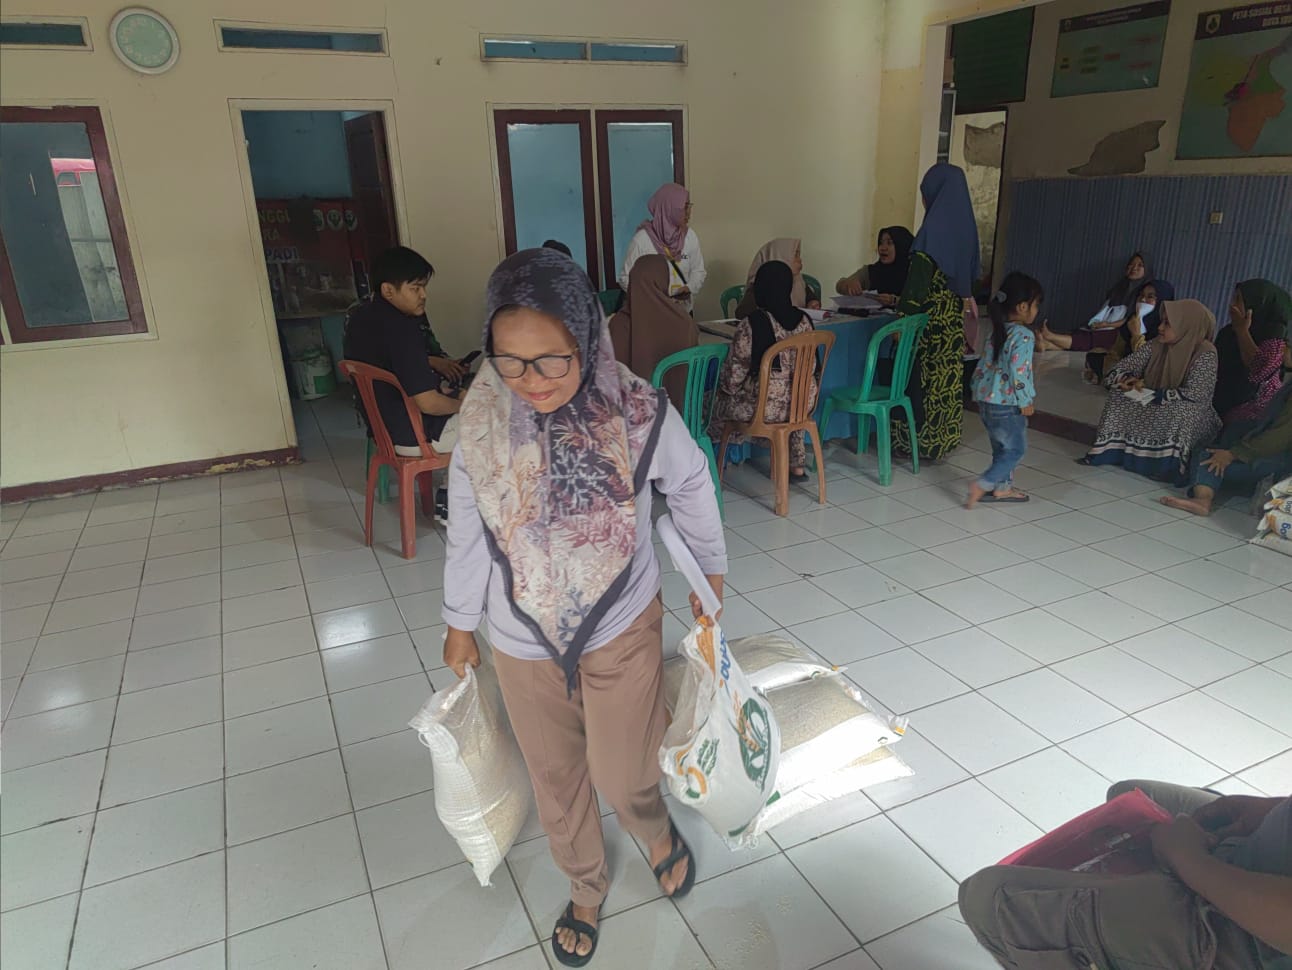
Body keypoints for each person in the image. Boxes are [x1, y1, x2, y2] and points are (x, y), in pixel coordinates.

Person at [440, 248, 725, 967]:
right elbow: (470, 533)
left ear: (588, 340)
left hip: (620, 618)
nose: (530, 380)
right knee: (556, 773)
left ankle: (652, 829)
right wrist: (459, 623)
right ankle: (585, 884)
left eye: (551, 360)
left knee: (624, 769)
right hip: (519, 633)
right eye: (510, 360)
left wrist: (709, 571)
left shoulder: (638, 412)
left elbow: (692, 483)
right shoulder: (479, 426)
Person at [960, 780, 1292, 970]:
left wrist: (1189, 860)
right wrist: (1273, 808)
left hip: (1253, 936)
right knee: (1132, 796)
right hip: (1255, 859)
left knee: (989, 897)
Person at [888, 165, 978, 461]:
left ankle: (915, 443)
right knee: (945, 383)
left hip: (926, 329)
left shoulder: (931, 236)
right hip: (951, 326)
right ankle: (942, 441)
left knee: (919, 382)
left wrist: (900, 325)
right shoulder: (966, 233)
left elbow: (915, 290)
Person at [1081, 299, 1222, 483]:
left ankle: (1166, 468)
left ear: (1186, 326)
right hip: (1154, 398)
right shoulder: (1156, 344)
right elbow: (1117, 370)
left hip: (1191, 410)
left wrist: (1158, 396)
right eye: (1162, 322)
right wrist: (1128, 381)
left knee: (1182, 411)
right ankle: (1109, 453)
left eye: (1168, 323)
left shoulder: (1205, 351)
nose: (1160, 328)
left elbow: (1197, 393)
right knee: (1119, 396)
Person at [342, 245, 465, 456]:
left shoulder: (360, 317)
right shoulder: (403, 329)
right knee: (498, 421)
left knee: (460, 396)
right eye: (416, 288)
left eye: (424, 287)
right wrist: (466, 406)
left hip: (384, 431)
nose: (424, 295)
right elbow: (429, 404)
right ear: (388, 290)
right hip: (415, 435)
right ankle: (459, 480)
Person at [711, 260, 818, 481]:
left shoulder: (752, 323)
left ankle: (711, 467)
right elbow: (814, 367)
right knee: (795, 394)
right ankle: (796, 466)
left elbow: (732, 380)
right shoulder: (805, 321)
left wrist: (726, 390)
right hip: (803, 404)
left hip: (765, 410)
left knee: (707, 404)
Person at [967, 273, 1043, 508]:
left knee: (1001, 448)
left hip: (986, 400)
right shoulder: (1024, 335)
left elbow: (984, 364)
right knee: (1015, 449)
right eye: (1036, 305)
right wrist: (1025, 399)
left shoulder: (998, 330)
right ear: (1022, 307)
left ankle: (1002, 488)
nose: (1036, 310)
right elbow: (1019, 372)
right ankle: (984, 483)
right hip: (1007, 403)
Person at [1162, 379, 1292, 517]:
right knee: (1236, 429)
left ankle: (1202, 499)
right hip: (1278, 456)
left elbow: (1278, 439)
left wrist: (1233, 454)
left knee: (1207, 456)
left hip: (1281, 461)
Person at [608, 254, 698, 410]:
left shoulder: (619, 324)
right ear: (664, 280)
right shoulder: (684, 321)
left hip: (636, 417)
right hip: (681, 412)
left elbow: (610, 379)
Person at [1038, 279, 1174, 380]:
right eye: (1141, 295)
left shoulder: (1165, 328)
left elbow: (1148, 362)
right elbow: (1117, 352)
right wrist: (1111, 364)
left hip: (1150, 372)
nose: (1143, 299)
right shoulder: (1132, 319)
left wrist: (1137, 335)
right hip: (1126, 366)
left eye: (1150, 297)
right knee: (1095, 355)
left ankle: (1050, 339)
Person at [618, 183, 706, 314]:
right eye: (684, 207)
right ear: (669, 209)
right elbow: (625, 278)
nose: (689, 212)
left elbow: (698, 271)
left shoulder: (689, 236)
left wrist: (689, 288)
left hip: (682, 313)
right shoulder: (642, 240)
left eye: (689, 206)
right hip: (652, 315)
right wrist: (653, 297)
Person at [1213, 279, 1291, 425]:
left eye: (1238, 300)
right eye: (1233, 298)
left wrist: (1242, 331)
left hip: (1254, 412)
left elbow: (1258, 370)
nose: (1232, 305)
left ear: (1255, 305)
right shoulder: (1227, 333)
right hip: (1221, 403)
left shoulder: (1274, 338)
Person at [733, 238, 820, 318]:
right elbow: (742, 313)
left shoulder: (798, 280)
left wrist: (812, 302)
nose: (800, 260)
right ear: (781, 258)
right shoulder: (761, 285)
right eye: (795, 255)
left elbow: (810, 297)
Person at [835, 226, 915, 308]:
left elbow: (918, 303)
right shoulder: (872, 270)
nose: (882, 248)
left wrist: (894, 301)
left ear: (902, 246)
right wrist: (849, 284)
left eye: (889, 243)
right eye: (881, 243)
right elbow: (839, 285)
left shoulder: (914, 274)